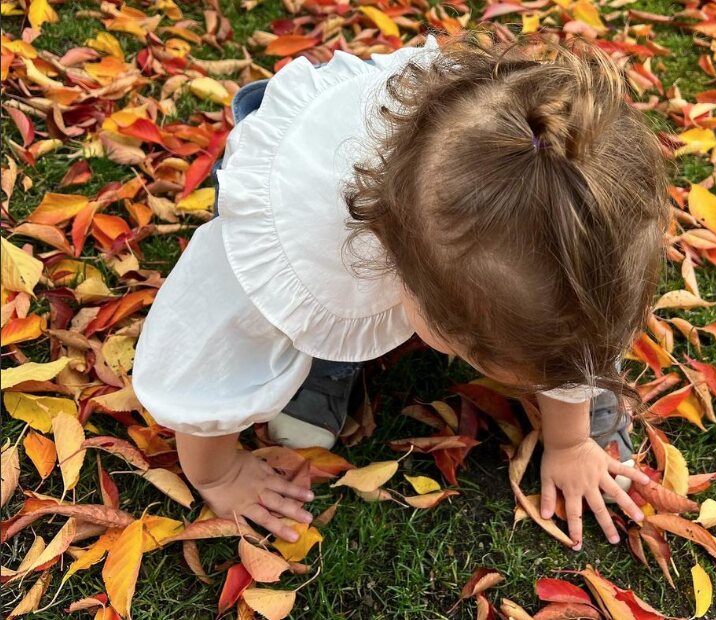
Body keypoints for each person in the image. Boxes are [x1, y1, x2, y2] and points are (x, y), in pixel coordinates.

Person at [132, 33, 669, 551]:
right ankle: (327, 358)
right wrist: (219, 475)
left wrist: (569, 440)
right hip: (306, 182)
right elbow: (209, 352)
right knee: (301, 313)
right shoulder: (295, 251)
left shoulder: (541, 187)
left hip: (399, 189)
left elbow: (563, 312)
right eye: (474, 350)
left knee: (533, 292)